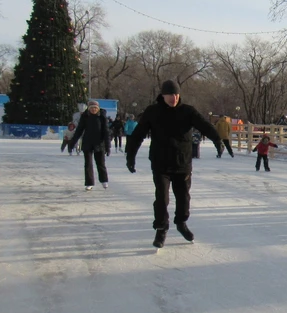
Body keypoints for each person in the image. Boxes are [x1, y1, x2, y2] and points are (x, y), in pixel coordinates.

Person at [126, 80, 223, 248]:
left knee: (183, 197)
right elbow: (138, 134)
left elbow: (205, 126)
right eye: (170, 95)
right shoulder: (152, 112)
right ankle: (161, 228)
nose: (174, 98)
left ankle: (181, 223)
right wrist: (130, 156)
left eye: (177, 94)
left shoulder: (188, 111)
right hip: (160, 162)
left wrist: (217, 140)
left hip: (182, 163)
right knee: (162, 198)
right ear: (163, 95)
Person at [68, 100, 112, 190]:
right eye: (92, 108)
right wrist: (72, 143)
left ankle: (104, 180)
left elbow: (106, 132)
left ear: (98, 109)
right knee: (88, 164)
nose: (93, 110)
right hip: (87, 143)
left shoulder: (102, 117)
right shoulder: (85, 117)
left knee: (100, 163)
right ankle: (89, 183)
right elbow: (79, 131)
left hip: (99, 143)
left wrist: (108, 146)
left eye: (95, 108)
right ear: (89, 109)